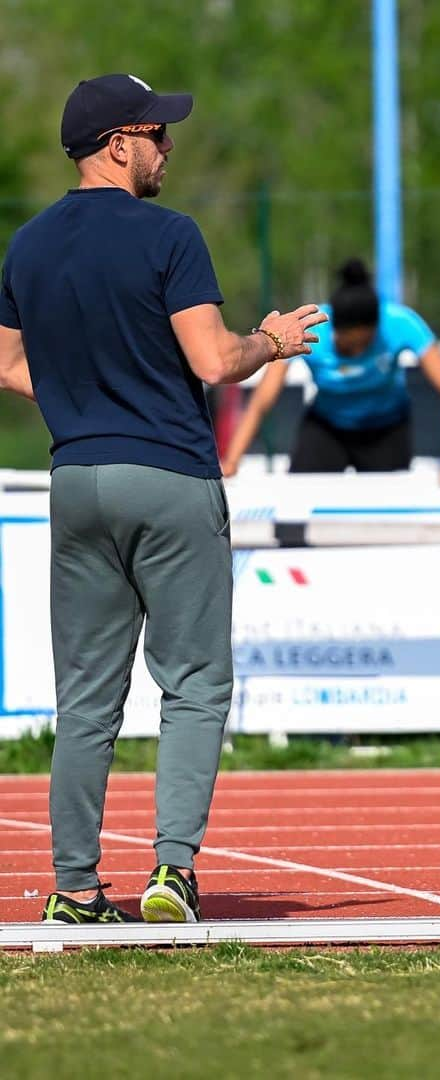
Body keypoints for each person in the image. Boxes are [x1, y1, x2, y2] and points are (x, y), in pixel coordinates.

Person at [0, 74, 326, 925]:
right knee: (192, 684)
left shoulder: (27, 245)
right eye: (159, 133)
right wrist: (275, 339)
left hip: (75, 480)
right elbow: (215, 361)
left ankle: (74, 890)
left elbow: (3, 364)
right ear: (118, 144)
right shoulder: (170, 236)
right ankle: (172, 872)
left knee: (86, 699)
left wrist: (83, 402)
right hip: (171, 477)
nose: (169, 148)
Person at [220, 258, 440, 485]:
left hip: (386, 430)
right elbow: (263, 400)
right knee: (297, 506)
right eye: (348, 346)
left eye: (365, 345)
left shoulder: (400, 324)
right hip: (328, 426)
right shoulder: (312, 330)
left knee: (384, 519)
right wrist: (232, 461)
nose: (356, 354)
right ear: (335, 331)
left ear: (377, 330)